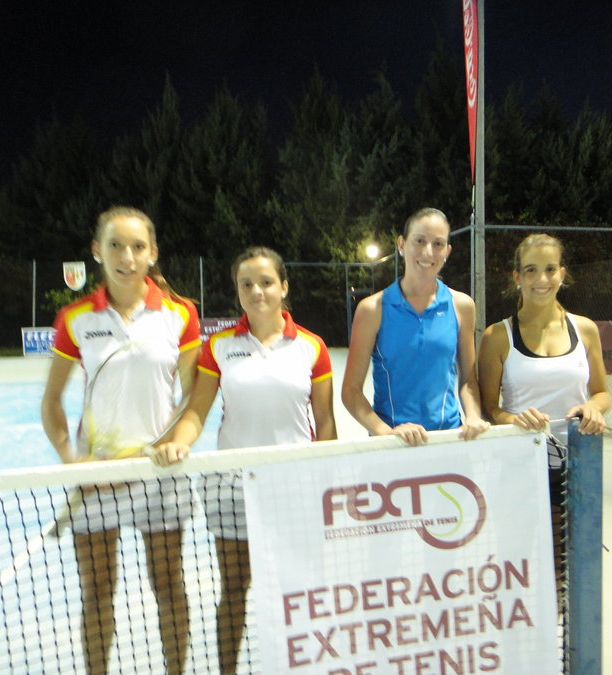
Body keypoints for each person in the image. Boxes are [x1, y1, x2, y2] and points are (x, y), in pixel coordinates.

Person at [150, 246, 337, 674]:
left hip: (295, 488)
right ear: (237, 290)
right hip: (232, 487)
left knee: (299, 588)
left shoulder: (312, 347)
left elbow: (325, 422)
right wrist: (179, 443)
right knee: (234, 589)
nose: (257, 291)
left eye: (266, 282)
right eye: (246, 284)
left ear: (284, 287)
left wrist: (323, 482)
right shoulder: (219, 346)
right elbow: (196, 412)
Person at [41, 206, 200, 675]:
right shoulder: (75, 318)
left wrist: (177, 442)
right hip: (98, 478)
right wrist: (71, 458)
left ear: (152, 253)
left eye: (137, 247)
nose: (126, 257)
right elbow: (52, 401)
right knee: (97, 592)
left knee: (169, 585)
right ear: (97, 250)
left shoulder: (180, 314)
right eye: (115, 245)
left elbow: (194, 394)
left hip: (160, 474)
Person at [477, 232, 611, 617]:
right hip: (520, 468)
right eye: (531, 270)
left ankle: (557, 633)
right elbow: (489, 409)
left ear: (562, 274)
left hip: (577, 468)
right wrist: (514, 419)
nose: (542, 279)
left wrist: (593, 408)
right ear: (516, 276)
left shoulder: (585, 329)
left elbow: (602, 393)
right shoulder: (497, 336)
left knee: (567, 569)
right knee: (520, 562)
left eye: (550, 269)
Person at [341, 207, 489, 446]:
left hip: (448, 440)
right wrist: (386, 432)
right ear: (401, 244)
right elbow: (351, 390)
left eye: (438, 244)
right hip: (394, 445)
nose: (428, 252)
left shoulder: (462, 306)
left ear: (447, 251)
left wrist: (472, 416)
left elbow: (468, 381)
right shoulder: (372, 309)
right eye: (419, 241)